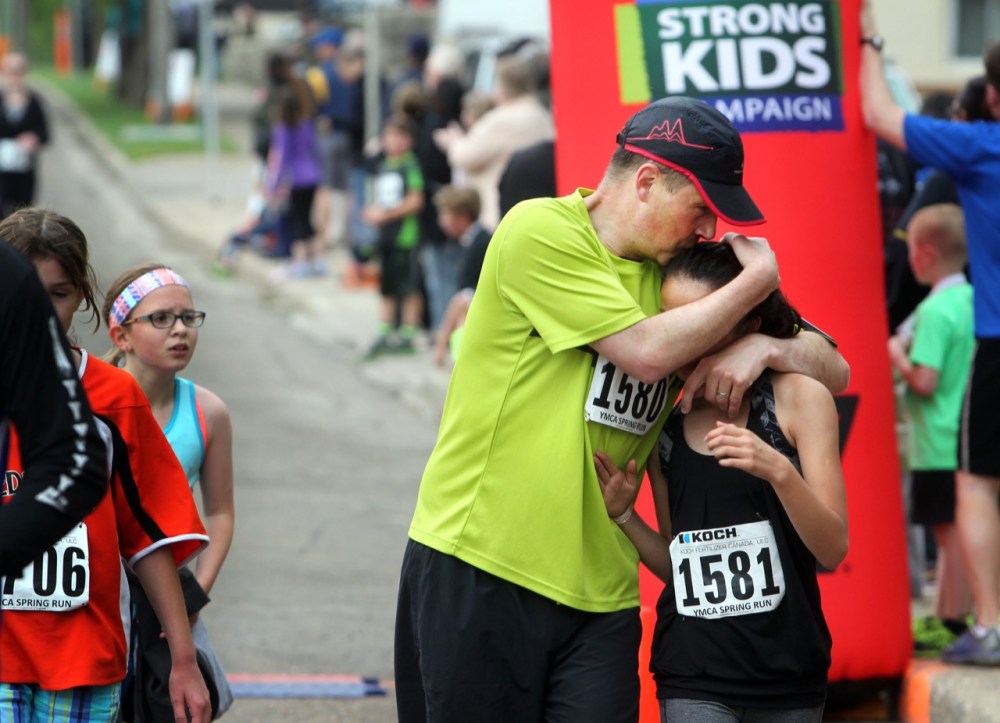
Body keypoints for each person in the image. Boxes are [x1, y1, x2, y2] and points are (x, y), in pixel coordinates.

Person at [394, 96, 850, 722]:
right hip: (484, 565)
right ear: (645, 182)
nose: (709, 232)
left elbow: (835, 364)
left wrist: (765, 345)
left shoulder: (670, 278)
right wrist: (756, 279)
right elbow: (643, 352)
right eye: (700, 209)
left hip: (601, 596)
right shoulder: (541, 231)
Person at [595, 240, 848, 722]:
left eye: (702, 324)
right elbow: (680, 567)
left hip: (789, 670)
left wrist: (777, 468)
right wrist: (625, 515)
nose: (683, 338)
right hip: (693, 671)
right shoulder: (664, 422)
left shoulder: (799, 399)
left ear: (747, 326)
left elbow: (832, 547)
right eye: (672, 320)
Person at [0, 209, 213, 723]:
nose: (43, 312)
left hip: (85, 657)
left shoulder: (115, 398)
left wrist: (183, 659)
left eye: (59, 294)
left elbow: (150, 537)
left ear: (82, 298)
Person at [860, 0, 1000, 665]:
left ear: (994, 97)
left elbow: (881, 118)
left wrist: (868, 39)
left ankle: (992, 624)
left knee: (978, 486)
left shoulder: (983, 145)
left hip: (996, 343)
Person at [887, 204, 974, 654]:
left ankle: (953, 619)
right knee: (956, 532)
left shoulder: (936, 310)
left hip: (937, 442)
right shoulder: (971, 299)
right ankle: (949, 614)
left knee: (949, 536)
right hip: (963, 436)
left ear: (922, 252)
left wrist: (895, 353)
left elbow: (925, 379)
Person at [0, 240, 106, 577]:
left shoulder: (9, 278)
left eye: (58, 294)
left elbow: (73, 459)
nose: (48, 307)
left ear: (82, 297)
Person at [433, 54, 555, 230]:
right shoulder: (542, 115)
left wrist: (453, 141)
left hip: (497, 213)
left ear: (502, 87)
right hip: (536, 212)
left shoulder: (499, 120)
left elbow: (465, 156)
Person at [361, 114, 425, 358]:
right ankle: (385, 330)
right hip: (385, 237)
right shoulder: (384, 163)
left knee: (408, 285)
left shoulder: (410, 164)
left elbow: (415, 200)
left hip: (404, 236)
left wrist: (387, 215)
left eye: (400, 137)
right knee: (386, 284)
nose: (394, 142)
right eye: (389, 136)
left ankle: (408, 332)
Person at [264, 85, 323, 280]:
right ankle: (315, 259)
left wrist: (273, 185)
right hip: (312, 175)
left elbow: (282, 159)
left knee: (297, 220)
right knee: (307, 218)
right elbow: (313, 147)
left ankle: (300, 261)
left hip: (296, 178)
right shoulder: (306, 123)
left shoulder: (282, 128)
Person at [430, 184, 491, 366]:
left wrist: (441, 344)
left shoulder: (479, 245)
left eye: (444, 214)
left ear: (462, 217)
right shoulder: (474, 240)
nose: (440, 221)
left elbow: (462, 298)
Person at [0, 52, 50, 219]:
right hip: (2, 171)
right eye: (10, 71)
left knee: (24, 215)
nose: (15, 77)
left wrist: (34, 138)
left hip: (25, 170)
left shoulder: (34, 102)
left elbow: (45, 134)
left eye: (18, 71)